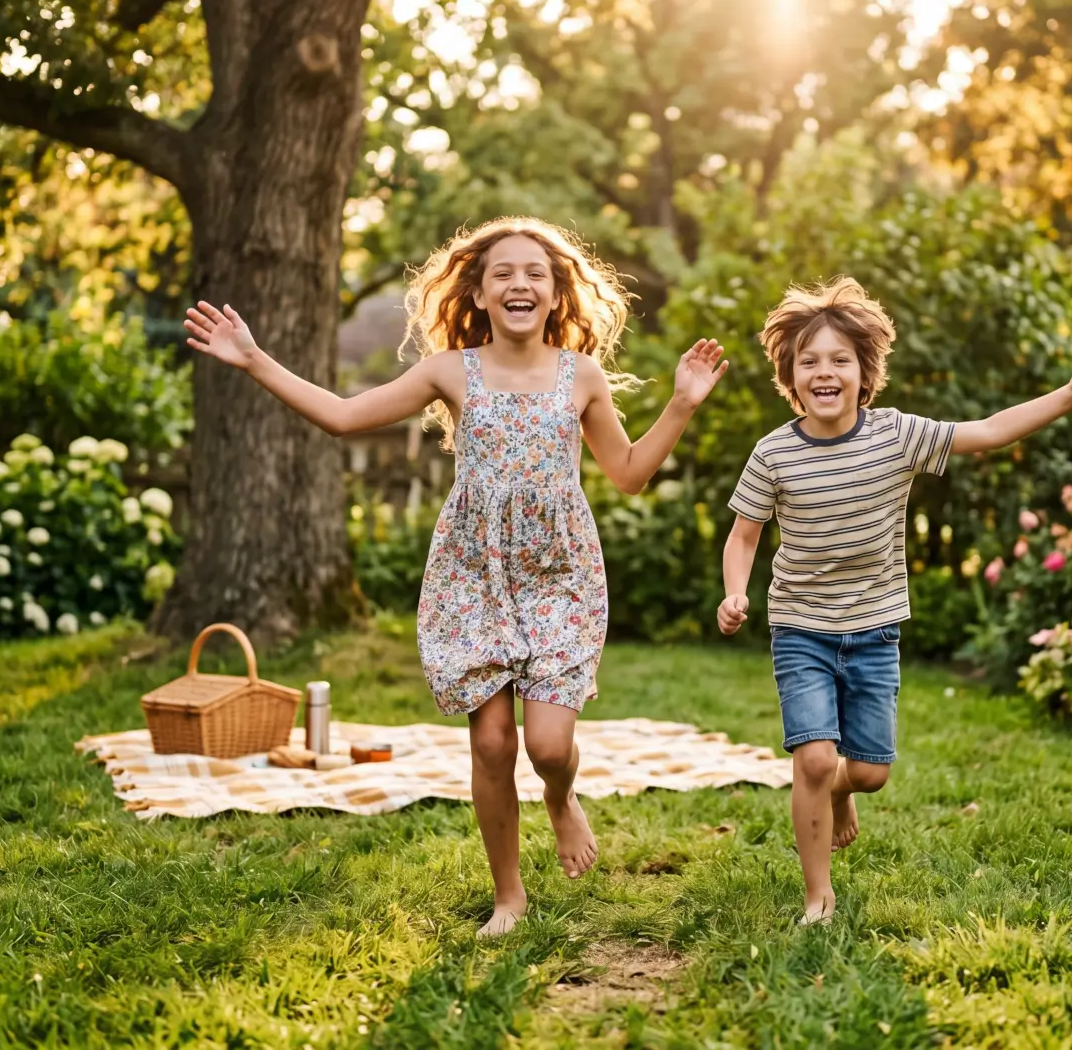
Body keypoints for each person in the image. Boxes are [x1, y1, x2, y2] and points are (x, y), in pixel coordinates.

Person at [183, 217, 727, 936]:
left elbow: (627, 475)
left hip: (560, 574)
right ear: (477, 289)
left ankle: (561, 801)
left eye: (535, 272)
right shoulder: (451, 370)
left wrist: (682, 405)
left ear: (557, 290)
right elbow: (346, 418)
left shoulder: (581, 375)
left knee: (548, 746)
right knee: (494, 742)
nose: (519, 283)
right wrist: (256, 361)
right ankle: (510, 896)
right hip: (472, 573)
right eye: (502, 272)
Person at [714, 277, 1072, 924]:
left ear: (865, 372)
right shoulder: (774, 453)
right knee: (815, 759)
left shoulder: (897, 435)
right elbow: (744, 535)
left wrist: (1070, 396)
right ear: (790, 375)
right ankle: (817, 895)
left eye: (839, 360)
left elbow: (988, 431)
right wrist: (736, 592)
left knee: (868, 772)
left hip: (875, 630)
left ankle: (844, 793)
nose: (824, 372)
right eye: (809, 361)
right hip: (801, 629)